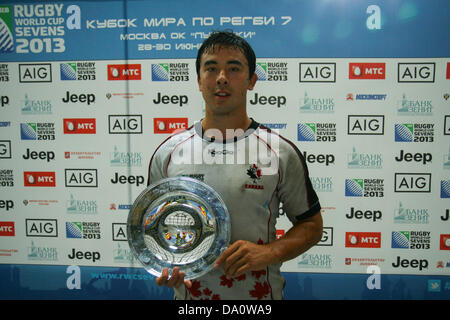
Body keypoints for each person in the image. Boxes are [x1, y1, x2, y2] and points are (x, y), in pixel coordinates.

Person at [147, 30, 323, 300]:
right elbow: (154, 227)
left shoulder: (279, 152)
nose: (221, 78)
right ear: (198, 80)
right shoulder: (169, 153)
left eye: (233, 68)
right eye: (211, 68)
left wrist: (269, 252)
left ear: (252, 80)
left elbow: (311, 225)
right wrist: (165, 263)